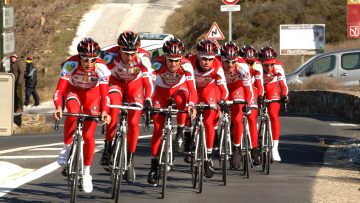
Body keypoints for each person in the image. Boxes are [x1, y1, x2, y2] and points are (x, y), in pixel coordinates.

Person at [53, 38, 111, 193]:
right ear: (80, 57)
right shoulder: (70, 64)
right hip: (74, 91)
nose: (88, 63)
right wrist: (58, 107)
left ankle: (86, 173)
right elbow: (59, 90)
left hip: (92, 95)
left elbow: (105, 94)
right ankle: (66, 148)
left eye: (92, 60)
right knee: (72, 112)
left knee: (89, 136)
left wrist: (105, 111)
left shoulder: (102, 68)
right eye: (85, 59)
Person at [100, 30, 154, 183]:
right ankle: (108, 148)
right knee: (114, 109)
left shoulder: (143, 57)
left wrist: (148, 99)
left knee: (133, 122)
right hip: (116, 83)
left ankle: (129, 159)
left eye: (132, 54)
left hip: (134, 87)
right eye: (126, 53)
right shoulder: (110, 56)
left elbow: (148, 79)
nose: (130, 57)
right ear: (119, 49)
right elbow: (102, 78)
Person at [147, 38, 197, 185]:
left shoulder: (186, 65)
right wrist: (148, 101)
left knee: (183, 99)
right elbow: (149, 83)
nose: (173, 64)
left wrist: (192, 105)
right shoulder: (158, 63)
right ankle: (154, 165)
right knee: (157, 128)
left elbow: (192, 87)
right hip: (161, 92)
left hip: (179, 90)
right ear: (165, 57)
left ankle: (181, 130)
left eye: (176, 60)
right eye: (170, 60)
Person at [187, 39, 228, 178]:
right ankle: (188, 134)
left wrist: (222, 100)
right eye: (204, 58)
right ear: (198, 56)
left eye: (210, 59)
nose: (207, 62)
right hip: (192, 90)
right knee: (188, 108)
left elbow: (223, 89)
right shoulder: (189, 64)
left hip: (208, 91)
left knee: (209, 122)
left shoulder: (217, 67)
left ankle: (208, 157)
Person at [219, 41, 254, 169]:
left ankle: (236, 148)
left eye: (233, 62)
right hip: (219, 88)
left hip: (236, 88)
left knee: (238, 118)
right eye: (227, 61)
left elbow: (249, 89)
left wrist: (248, 104)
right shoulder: (215, 65)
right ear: (221, 58)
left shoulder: (243, 67)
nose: (230, 65)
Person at [258, 46, 289, 162]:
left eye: (271, 64)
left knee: (273, 114)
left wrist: (285, 95)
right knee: (252, 112)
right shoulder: (256, 66)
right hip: (258, 86)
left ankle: (275, 147)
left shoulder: (278, 66)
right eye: (266, 65)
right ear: (261, 62)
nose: (269, 68)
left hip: (272, 88)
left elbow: (283, 83)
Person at [239, 45, 265, 166]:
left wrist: (260, 96)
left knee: (251, 118)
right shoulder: (238, 64)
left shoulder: (257, 65)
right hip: (238, 90)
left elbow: (259, 85)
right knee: (235, 120)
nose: (248, 64)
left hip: (251, 91)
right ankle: (235, 147)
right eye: (246, 61)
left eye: (251, 62)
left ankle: (254, 149)